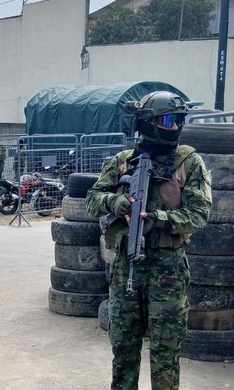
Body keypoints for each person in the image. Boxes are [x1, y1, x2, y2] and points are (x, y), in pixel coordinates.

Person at [85, 91, 212, 389]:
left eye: (179, 121)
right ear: (146, 122)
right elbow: (92, 199)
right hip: (125, 265)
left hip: (168, 269)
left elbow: (199, 213)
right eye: (167, 120)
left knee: (166, 352)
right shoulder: (122, 162)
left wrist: (159, 219)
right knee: (124, 348)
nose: (174, 127)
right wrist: (117, 203)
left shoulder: (188, 162)